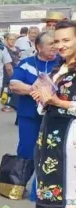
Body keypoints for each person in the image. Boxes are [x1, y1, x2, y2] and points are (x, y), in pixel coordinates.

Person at [32, 21, 76, 208]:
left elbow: (64, 103)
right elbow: (49, 103)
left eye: (66, 40)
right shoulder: (60, 69)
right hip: (53, 132)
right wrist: (41, 97)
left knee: (71, 185)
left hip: (72, 134)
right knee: (58, 182)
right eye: (57, 41)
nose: (61, 45)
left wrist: (57, 101)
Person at [9, 31, 61, 160]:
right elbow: (14, 85)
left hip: (57, 116)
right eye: (51, 43)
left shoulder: (63, 63)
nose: (55, 46)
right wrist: (35, 90)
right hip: (29, 115)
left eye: (56, 43)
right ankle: (23, 177)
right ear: (39, 47)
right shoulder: (27, 63)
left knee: (54, 151)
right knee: (26, 150)